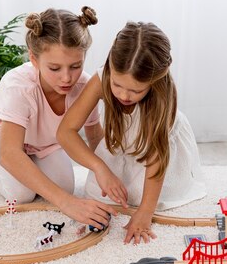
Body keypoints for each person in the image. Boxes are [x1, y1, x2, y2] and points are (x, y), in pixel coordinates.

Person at [0, 7, 117, 228]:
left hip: (42, 139)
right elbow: (10, 153)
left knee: (64, 186)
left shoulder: (84, 85)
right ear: (34, 59)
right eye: (54, 68)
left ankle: (12, 164)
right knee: (21, 194)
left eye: (76, 66)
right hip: (4, 136)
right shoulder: (20, 87)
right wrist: (67, 204)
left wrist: (109, 173)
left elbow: (95, 136)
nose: (67, 78)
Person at [56, 22, 206, 244]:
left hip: (157, 153)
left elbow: (157, 157)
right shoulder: (102, 78)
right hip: (125, 144)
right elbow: (65, 132)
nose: (124, 95)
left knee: (138, 198)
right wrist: (99, 167)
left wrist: (146, 212)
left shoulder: (161, 97)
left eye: (136, 90)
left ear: (153, 82)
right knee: (99, 190)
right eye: (117, 85)